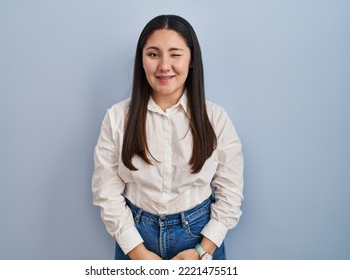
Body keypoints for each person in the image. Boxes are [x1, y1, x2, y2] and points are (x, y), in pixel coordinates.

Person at [92, 15, 243, 260]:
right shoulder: (117, 117)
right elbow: (105, 190)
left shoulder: (216, 118)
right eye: (153, 54)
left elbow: (231, 192)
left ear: (192, 60)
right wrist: (138, 253)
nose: (164, 66)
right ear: (142, 60)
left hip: (198, 238)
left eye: (175, 54)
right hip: (135, 237)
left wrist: (203, 250)